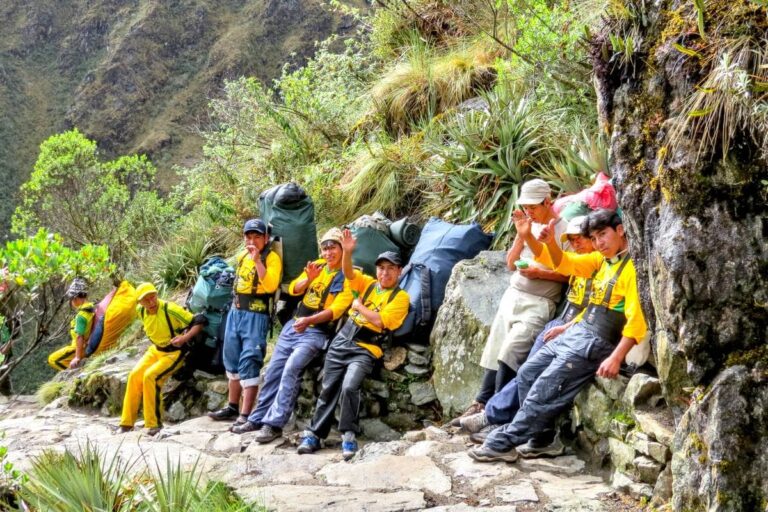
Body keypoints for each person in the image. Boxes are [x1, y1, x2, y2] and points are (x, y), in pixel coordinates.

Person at [469, 208, 647, 462]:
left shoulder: (632, 270)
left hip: (596, 342)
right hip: (578, 330)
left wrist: (616, 357)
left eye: (603, 235)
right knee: (528, 371)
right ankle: (542, 438)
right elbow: (564, 263)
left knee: (546, 387)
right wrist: (546, 241)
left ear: (620, 231)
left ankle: (502, 443)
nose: (599, 243)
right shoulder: (601, 261)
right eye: (595, 238)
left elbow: (636, 320)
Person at [459, 216, 595, 451]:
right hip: (562, 323)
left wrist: (566, 326)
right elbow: (553, 260)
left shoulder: (597, 264)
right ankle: (495, 413)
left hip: (579, 328)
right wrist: (527, 237)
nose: (576, 244)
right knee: (527, 369)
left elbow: (599, 309)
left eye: (580, 239)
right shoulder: (579, 261)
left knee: (531, 369)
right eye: (571, 240)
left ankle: (499, 419)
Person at [453, 179, 570, 422]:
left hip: (539, 300)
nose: (529, 212)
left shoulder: (566, 230)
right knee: (496, 346)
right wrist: (521, 235)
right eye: (525, 208)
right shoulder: (529, 225)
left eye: (533, 207)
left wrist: (540, 273)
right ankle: (481, 402)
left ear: (547, 202)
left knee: (511, 350)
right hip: (513, 294)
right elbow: (510, 262)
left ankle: (493, 413)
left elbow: (568, 272)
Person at [297, 230, 409, 460]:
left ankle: (348, 434)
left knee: (349, 386)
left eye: (390, 268)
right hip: (342, 341)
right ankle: (315, 434)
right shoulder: (368, 283)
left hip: (366, 348)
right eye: (381, 267)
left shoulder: (400, 297)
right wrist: (347, 252)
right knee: (328, 388)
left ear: (399, 271)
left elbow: (381, 321)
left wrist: (358, 307)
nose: (384, 273)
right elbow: (348, 272)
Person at [232, 228, 353, 440]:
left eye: (333, 247)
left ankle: (274, 424)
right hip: (294, 326)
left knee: (291, 369)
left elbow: (336, 311)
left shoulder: (349, 277)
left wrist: (309, 321)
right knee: (272, 371)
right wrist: (308, 279)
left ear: (343, 250)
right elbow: (295, 289)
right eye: (325, 248)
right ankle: (257, 418)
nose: (328, 252)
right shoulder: (317, 266)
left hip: (315, 332)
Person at [208, 219, 283, 426]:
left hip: (256, 315)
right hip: (235, 312)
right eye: (248, 237)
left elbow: (269, 286)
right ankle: (232, 406)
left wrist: (258, 261)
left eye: (257, 237)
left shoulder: (272, 258)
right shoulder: (242, 257)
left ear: (266, 238)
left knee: (250, 359)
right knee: (231, 358)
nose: (252, 241)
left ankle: (246, 414)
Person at [118, 282, 206, 435]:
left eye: (153, 297)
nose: (151, 302)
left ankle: (154, 424)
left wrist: (184, 338)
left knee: (150, 376)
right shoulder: (141, 311)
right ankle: (126, 423)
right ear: (140, 303)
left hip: (175, 352)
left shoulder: (169, 309)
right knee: (134, 376)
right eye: (146, 300)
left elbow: (199, 321)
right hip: (155, 350)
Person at [48, 278, 96, 371]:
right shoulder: (91, 307)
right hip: (85, 345)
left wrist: (77, 357)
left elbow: (79, 337)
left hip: (80, 348)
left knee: (53, 359)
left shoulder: (81, 316)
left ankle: (72, 374)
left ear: (75, 298)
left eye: (71, 299)